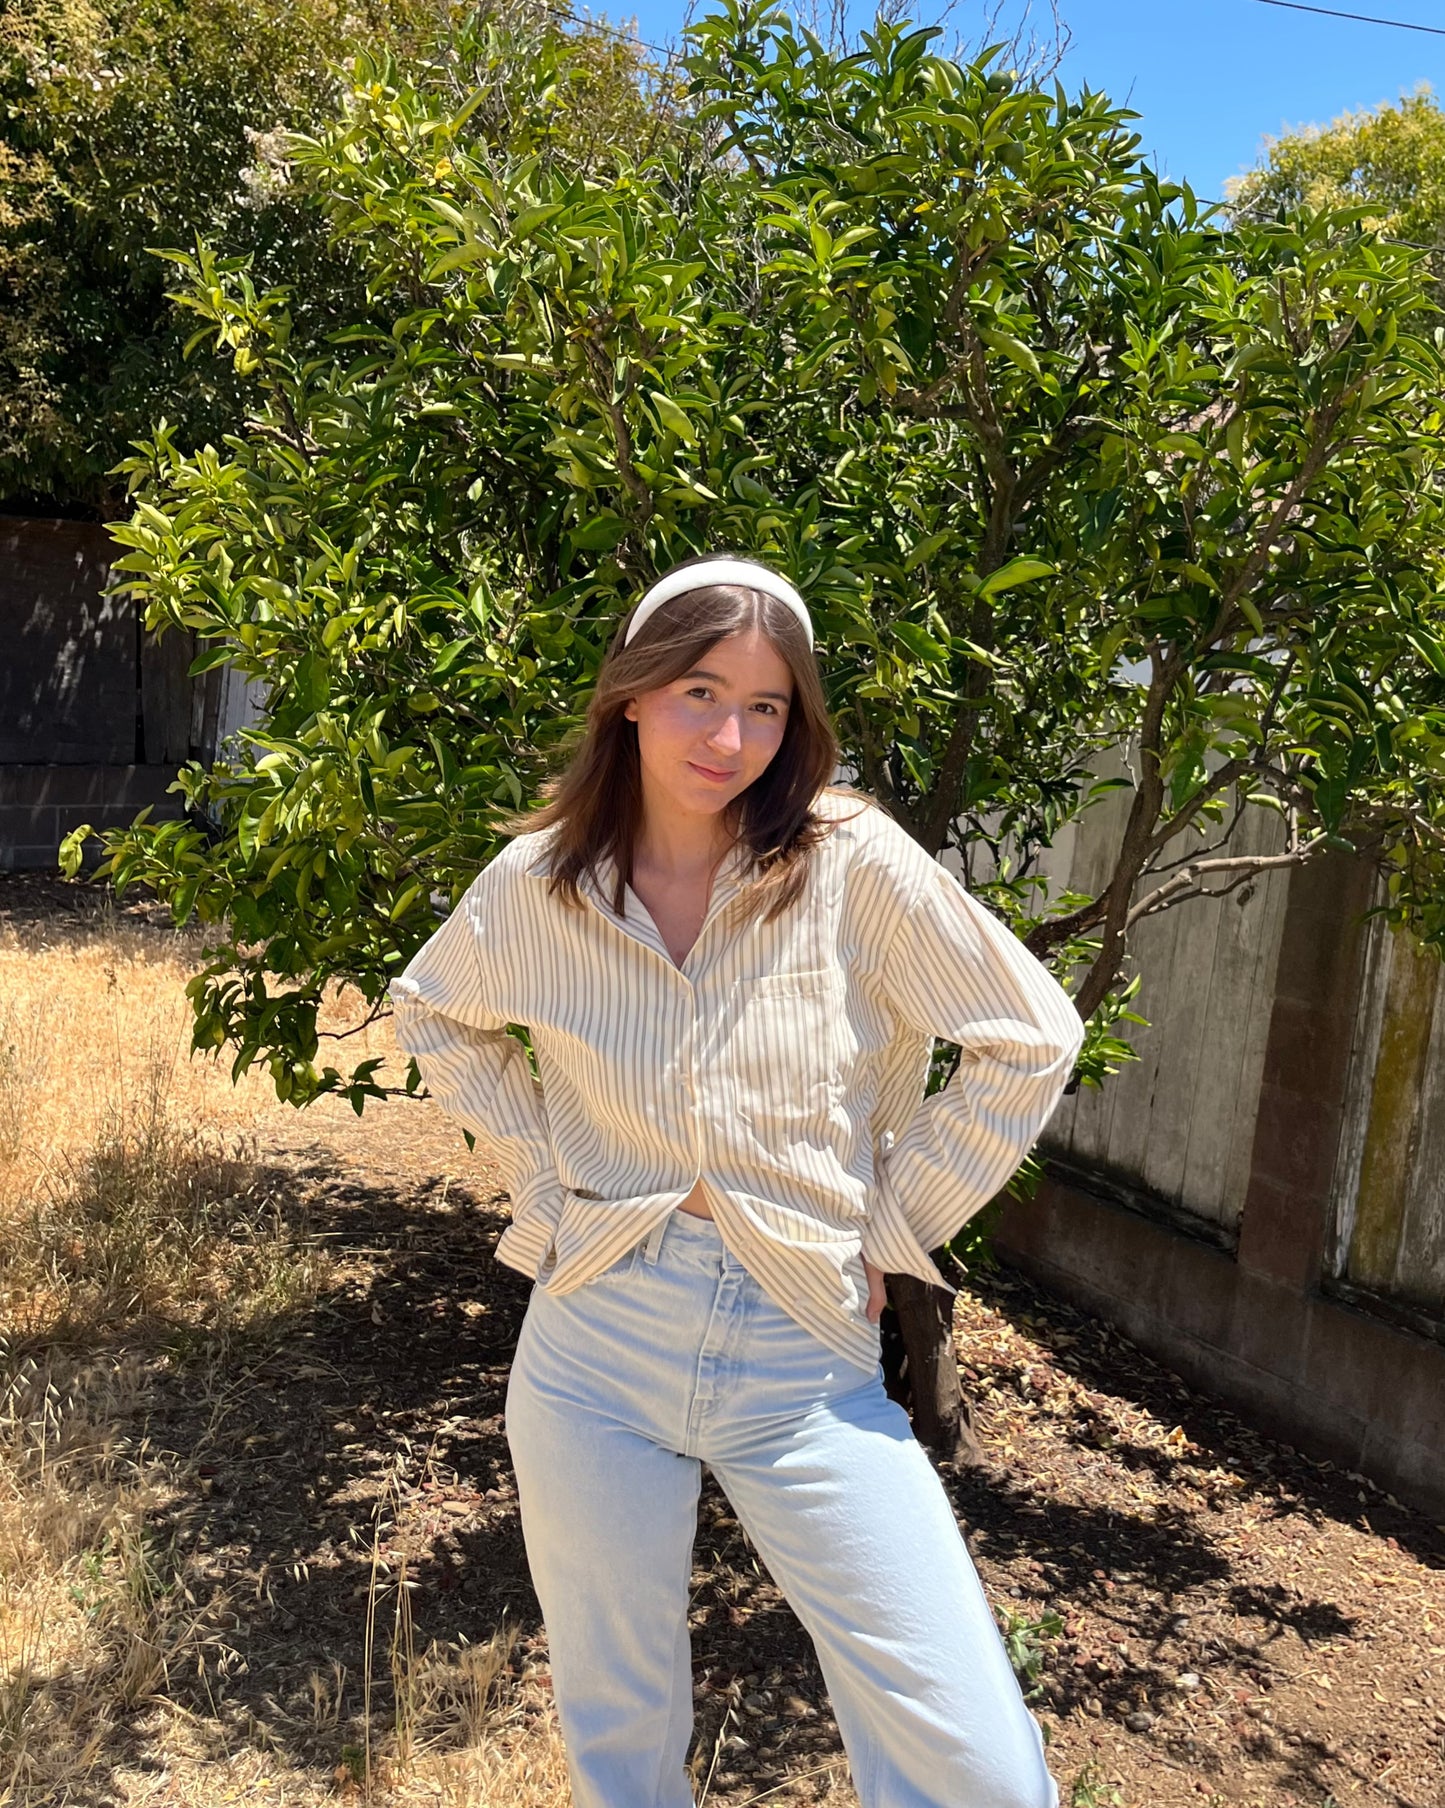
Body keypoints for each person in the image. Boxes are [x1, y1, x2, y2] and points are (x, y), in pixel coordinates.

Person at [388, 554, 1085, 1808]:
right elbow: (435, 1012)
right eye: (700, 690)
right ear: (630, 697)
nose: (729, 736)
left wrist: (893, 1221)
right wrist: (550, 1185)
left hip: (798, 1349)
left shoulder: (848, 861)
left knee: (976, 1764)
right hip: (592, 1341)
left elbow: (1030, 1034)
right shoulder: (543, 880)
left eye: (766, 707)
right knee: (620, 1730)